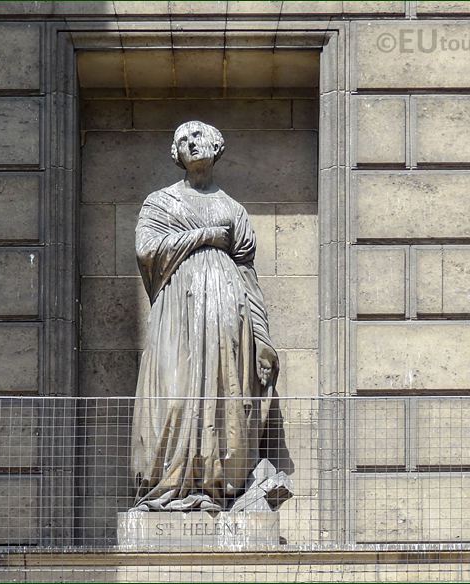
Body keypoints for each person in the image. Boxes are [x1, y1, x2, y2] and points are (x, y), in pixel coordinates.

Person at [130, 121, 279, 512]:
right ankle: (167, 487)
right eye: (182, 139)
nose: (191, 143)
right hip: (177, 315)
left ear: (217, 144)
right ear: (176, 154)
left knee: (225, 401)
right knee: (175, 400)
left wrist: (262, 340)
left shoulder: (233, 209)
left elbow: (249, 276)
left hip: (228, 318)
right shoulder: (159, 202)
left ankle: (218, 490)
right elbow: (146, 250)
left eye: (198, 136)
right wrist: (205, 236)